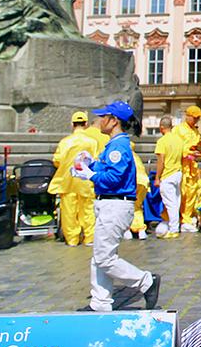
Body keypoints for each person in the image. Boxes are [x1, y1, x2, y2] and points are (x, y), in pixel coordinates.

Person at [73, 101, 160, 312]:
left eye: (103, 117)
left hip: (115, 204)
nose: (98, 121)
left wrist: (91, 174)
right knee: (99, 255)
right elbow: (109, 169)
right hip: (108, 203)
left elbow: (114, 177)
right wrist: (89, 164)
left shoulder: (119, 146)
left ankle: (145, 281)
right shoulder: (114, 144)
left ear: (113, 121)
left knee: (104, 257)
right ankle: (100, 302)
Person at [49, 112, 98, 247]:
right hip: (86, 180)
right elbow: (96, 159)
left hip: (68, 180)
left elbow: (57, 160)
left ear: (72, 124)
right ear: (86, 124)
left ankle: (72, 239)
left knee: (69, 211)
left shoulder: (65, 142)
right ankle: (90, 237)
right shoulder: (92, 142)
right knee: (88, 209)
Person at [174, 106, 201, 232]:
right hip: (182, 166)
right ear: (187, 116)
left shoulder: (195, 131)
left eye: (198, 118)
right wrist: (188, 153)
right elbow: (176, 147)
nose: (196, 120)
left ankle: (188, 217)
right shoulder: (179, 130)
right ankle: (181, 218)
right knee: (182, 192)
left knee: (192, 192)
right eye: (195, 117)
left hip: (192, 167)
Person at [153, 116, 184, 239]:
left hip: (168, 174)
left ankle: (173, 229)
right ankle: (176, 226)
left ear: (161, 127)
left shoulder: (162, 141)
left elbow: (161, 161)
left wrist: (157, 177)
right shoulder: (179, 140)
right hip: (178, 172)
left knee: (170, 203)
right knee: (176, 202)